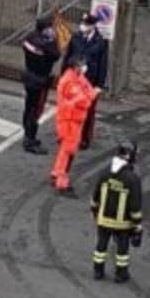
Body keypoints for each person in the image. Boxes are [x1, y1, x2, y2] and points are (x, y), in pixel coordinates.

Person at [90, 141, 143, 283]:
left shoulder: (105, 172)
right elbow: (135, 204)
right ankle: (121, 274)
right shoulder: (132, 178)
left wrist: (95, 212)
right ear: (128, 155)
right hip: (123, 223)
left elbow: (96, 195)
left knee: (101, 244)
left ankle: (98, 271)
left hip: (104, 219)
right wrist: (137, 224)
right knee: (122, 249)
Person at [51, 55, 99, 195]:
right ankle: (62, 182)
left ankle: (56, 173)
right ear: (76, 66)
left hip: (74, 121)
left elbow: (87, 89)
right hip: (69, 122)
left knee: (65, 151)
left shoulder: (76, 77)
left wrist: (90, 93)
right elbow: (84, 100)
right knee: (68, 153)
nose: (84, 67)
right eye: (82, 65)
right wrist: (91, 94)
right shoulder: (69, 82)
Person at [63, 13, 108, 149]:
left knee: (87, 112)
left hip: (90, 82)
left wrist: (99, 85)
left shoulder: (101, 42)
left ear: (93, 26)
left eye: (86, 25)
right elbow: (68, 57)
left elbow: (103, 64)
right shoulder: (76, 37)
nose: (83, 26)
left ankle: (84, 138)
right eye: (83, 24)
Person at [21, 15, 61, 155]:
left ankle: (27, 133)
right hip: (40, 80)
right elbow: (56, 55)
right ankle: (30, 140)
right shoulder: (47, 44)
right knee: (35, 110)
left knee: (28, 107)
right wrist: (53, 39)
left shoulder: (29, 38)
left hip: (29, 76)